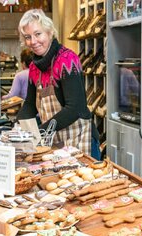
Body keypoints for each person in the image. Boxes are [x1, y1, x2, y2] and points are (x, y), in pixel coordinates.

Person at [16, 9, 100, 159]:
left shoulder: (67, 60)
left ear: (49, 32)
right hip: (54, 140)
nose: (33, 42)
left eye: (38, 34)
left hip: (79, 140)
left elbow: (76, 108)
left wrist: (40, 131)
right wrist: (18, 129)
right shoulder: (35, 68)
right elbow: (29, 104)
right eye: (28, 37)